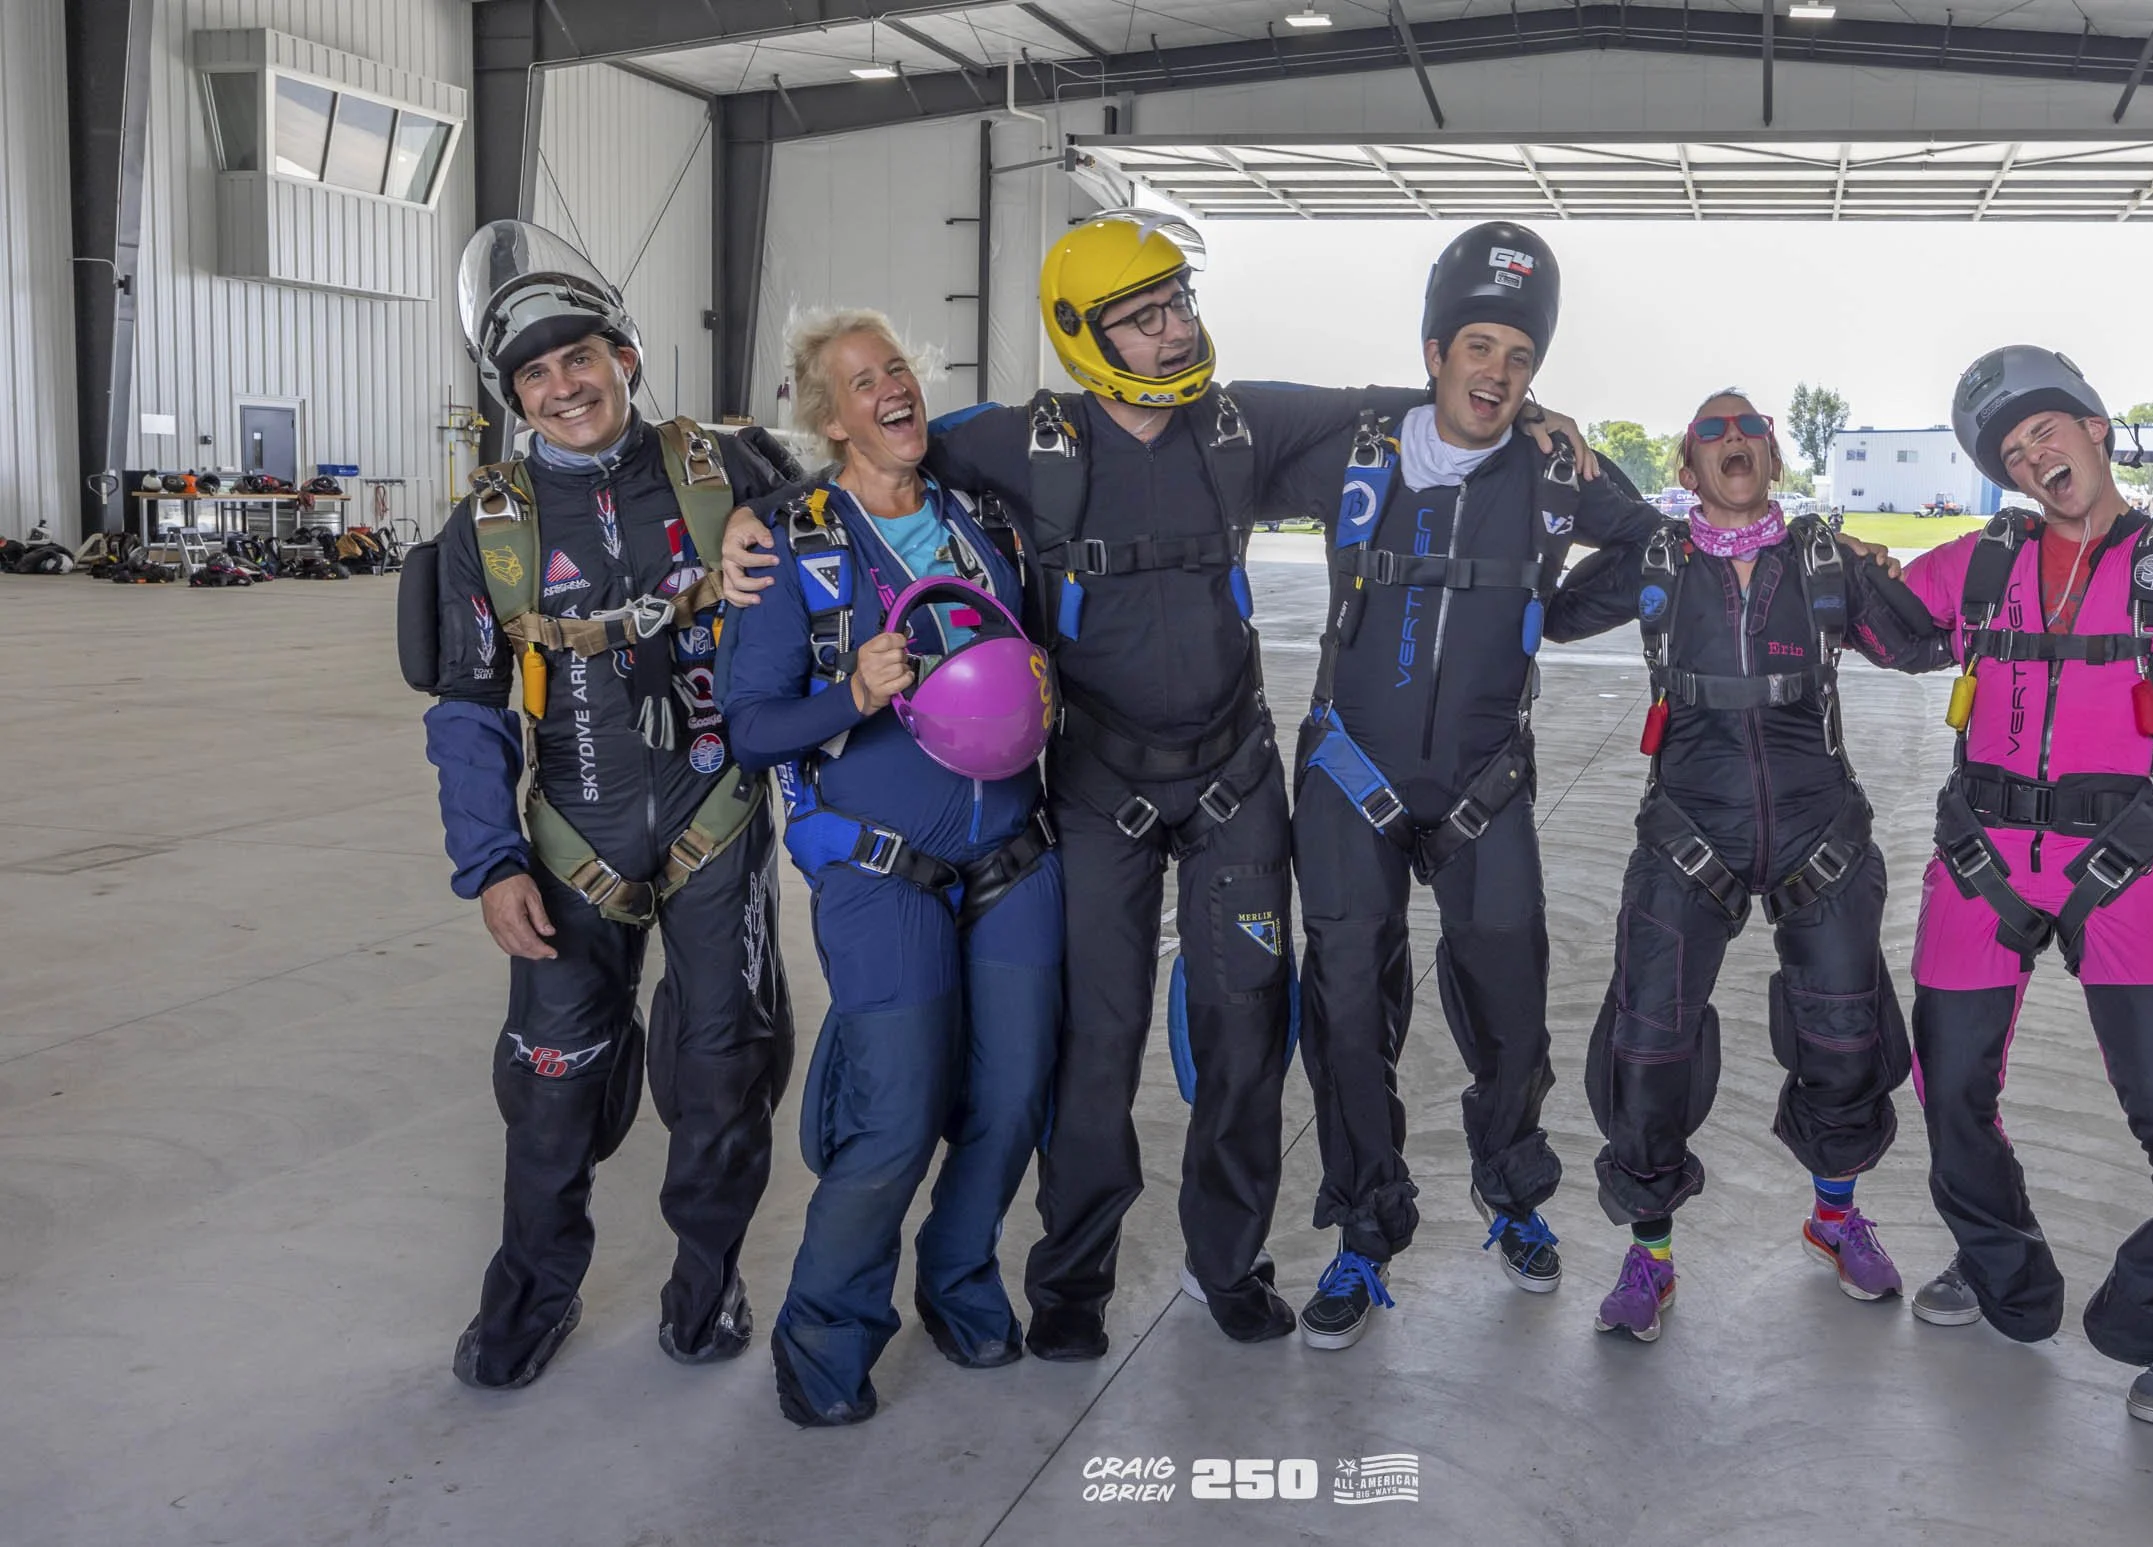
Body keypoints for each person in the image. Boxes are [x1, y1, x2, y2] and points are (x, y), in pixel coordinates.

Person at [720, 213, 1592, 1360]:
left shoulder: (1239, 425)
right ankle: (1071, 1276)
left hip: (1233, 780)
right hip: (1096, 786)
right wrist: (747, 508)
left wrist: (1520, 407)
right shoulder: (1019, 443)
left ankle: (1228, 1262)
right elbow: (866, 455)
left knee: (1243, 1036)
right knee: (1097, 1042)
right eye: (1150, 314)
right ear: (1087, 334)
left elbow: (1391, 407)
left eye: (1180, 300)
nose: (1179, 324)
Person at [412, 221, 798, 1391]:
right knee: (549, 1089)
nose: (562, 385)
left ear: (623, 355)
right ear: (512, 397)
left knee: (724, 1073)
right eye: (533, 372)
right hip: (571, 838)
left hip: (717, 818)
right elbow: (468, 709)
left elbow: (841, 598)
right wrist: (490, 862)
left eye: (577, 356)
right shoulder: (486, 529)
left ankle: (705, 1282)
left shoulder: (736, 468)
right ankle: (533, 1293)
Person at [1895, 322, 2153, 1425]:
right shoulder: (1978, 562)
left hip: (2123, 862)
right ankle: (1995, 1263)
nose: (2031, 459)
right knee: (1949, 1087)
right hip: (1978, 858)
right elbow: (1864, 620)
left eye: (2044, 431)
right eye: (2010, 454)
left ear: (2096, 428)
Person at [1284, 222, 1659, 1350]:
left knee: (1512, 1012)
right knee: (1347, 1012)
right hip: (1348, 773)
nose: (1498, 375)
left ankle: (1512, 1196)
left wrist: (1543, 616)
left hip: (1486, 786)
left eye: (1521, 359)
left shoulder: (1555, 466)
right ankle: (1363, 1227)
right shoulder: (1352, 448)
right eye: (1479, 348)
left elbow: (1654, 549)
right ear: (1437, 349)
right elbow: (1204, 449)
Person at [1540, 390, 1955, 1342]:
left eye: (1751, 430)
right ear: (1687, 467)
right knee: (1648, 1040)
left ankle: (1836, 1216)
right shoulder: (1654, 561)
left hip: (1821, 830)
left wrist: (1907, 566)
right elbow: (1550, 615)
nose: (1735, 440)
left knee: (1846, 1035)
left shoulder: (1820, 562)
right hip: (1690, 826)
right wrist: (1550, 483)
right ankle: (1649, 1254)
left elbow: (1924, 642)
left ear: (1773, 457)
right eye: (1714, 432)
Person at [715, 309, 1060, 1427]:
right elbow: (751, 726)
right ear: (827, 419)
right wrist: (850, 696)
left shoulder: (980, 523)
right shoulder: (783, 538)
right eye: (861, 383)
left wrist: (1046, 685)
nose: (889, 391)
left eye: (897, 370)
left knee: (1009, 1099)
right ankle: (824, 1336)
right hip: (881, 868)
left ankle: (958, 1284)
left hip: (1012, 851)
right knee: (897, 1116)